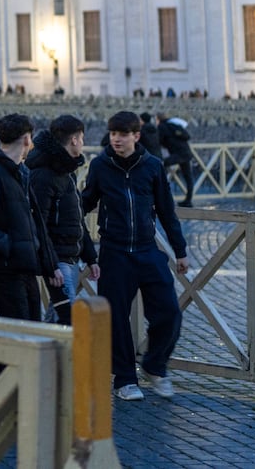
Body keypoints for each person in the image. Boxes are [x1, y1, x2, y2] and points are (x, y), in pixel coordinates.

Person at [80, 109, 189, 402]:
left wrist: (180, 250)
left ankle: (155, 366)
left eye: (123, 134)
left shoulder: (152, 166)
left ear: (136, 136)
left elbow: (167, 210)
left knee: (169, 311)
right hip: (114, 252)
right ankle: (125, 379)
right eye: (113, 134)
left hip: (146, 250)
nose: (116, 139)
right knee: (116, 318)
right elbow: (85, 201)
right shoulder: (101, 166)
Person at [0, 113, 59, 372]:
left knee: (31, 328)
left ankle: (11, 386)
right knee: (19, 329)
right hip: (2, 265)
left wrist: (45, 260)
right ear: (27, 139)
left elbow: (33, 222)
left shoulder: (21, 172)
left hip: (22, 263)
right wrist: (9, 245)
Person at [26, 114, 96, 324]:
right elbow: (39, 222)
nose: (82, 143)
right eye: (82, 138)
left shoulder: (66, 171)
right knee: (66, 319)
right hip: (57, 257)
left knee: (57, 316)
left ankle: (47, 356)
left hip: (68, 256)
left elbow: (76, 217)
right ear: (74, 139)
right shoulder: (45, 175)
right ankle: (64, 357)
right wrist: (51, 264)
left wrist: (90, 256)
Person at [157, 111, 197, 206]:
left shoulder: (161, 126)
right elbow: (186, 136)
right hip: (186, 152)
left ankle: (162, 196)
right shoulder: (174, 124)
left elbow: (160, 140)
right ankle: (188, 200)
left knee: (160, 166)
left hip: (178, 154)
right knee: (188, 178)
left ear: (157, 119)